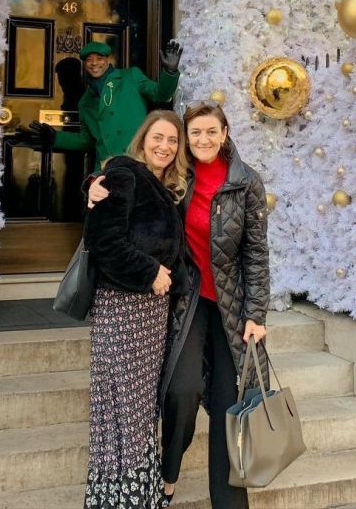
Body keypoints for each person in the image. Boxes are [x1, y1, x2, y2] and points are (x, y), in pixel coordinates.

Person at [89, 101, 270, 509]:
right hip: (186, 302)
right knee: (181, 391)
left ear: (225, 134)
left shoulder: (246, 182)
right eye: (195, 133)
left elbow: (256, 253)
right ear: (187, 140)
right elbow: (129, 179)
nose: (203, 140)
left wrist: (256, 313)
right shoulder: (177, 178)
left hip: (231, 306)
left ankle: (230, 503)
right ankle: (167, 477)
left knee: (229, 401)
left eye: (211, 132)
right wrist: (92, 184)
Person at [82, 110, 190, 509]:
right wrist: (149, 273)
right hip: (123, 306)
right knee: (121, 406)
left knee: (140, 407)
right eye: (157, 138)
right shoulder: (125, 174)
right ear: (142, 140)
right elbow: (102, 240)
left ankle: (141, 496)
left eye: (172, 141)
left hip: (151, 312)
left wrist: (169, 280)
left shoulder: (165, 186)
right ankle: (117, 498)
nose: (164, 146)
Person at [30, 40, 183, 165]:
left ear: (108, 60)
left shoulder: (130, 77)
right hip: (106, 168)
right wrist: (55, 138)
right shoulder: (85, 101)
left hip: (137, 162)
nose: (94, 63)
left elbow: (160, 94)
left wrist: (170, 72)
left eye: (99, 58)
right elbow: (87, 141)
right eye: (89, 60)